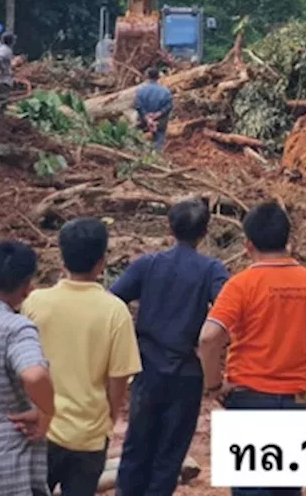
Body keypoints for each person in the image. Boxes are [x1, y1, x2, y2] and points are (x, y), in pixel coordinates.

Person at [198, 201, 306, 496]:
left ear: (248, 245)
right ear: (288, 242)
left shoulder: (241, 285)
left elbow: (208, 338)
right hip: (295, 402)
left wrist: (214, 385)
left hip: (248, 401)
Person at [110, 198, 230, 495]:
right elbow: (230, 310)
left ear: (170, 227)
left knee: (137, 445)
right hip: (187, 373)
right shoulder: (211, 269)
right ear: (205, 232)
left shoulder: (148, 265)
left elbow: (111, 302)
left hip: (147, 368)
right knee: (170, 452)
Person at [23, 218, 142, 496]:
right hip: (88, 437)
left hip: (42, 431)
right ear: (102, 263)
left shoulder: (35, 303)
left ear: (62, 259)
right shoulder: (115, 311)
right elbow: (119, 378)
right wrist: (108, 419)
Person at [0, 241, 55, 496]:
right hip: (4, 466)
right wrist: (47, 412)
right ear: (25, 286)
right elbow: (34, 374)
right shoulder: (14, 328)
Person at [134, 66, 174, 151]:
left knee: (138, 137)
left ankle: (140, 155)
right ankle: (157, 158)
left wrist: (147, 118)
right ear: (158, 77)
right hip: (160, 121)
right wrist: (158, 114)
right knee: (159, 139)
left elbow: (138, 106)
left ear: (146, 76)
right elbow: (169, 106)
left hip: (143, 120)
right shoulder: (166, 91)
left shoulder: (140, 90)